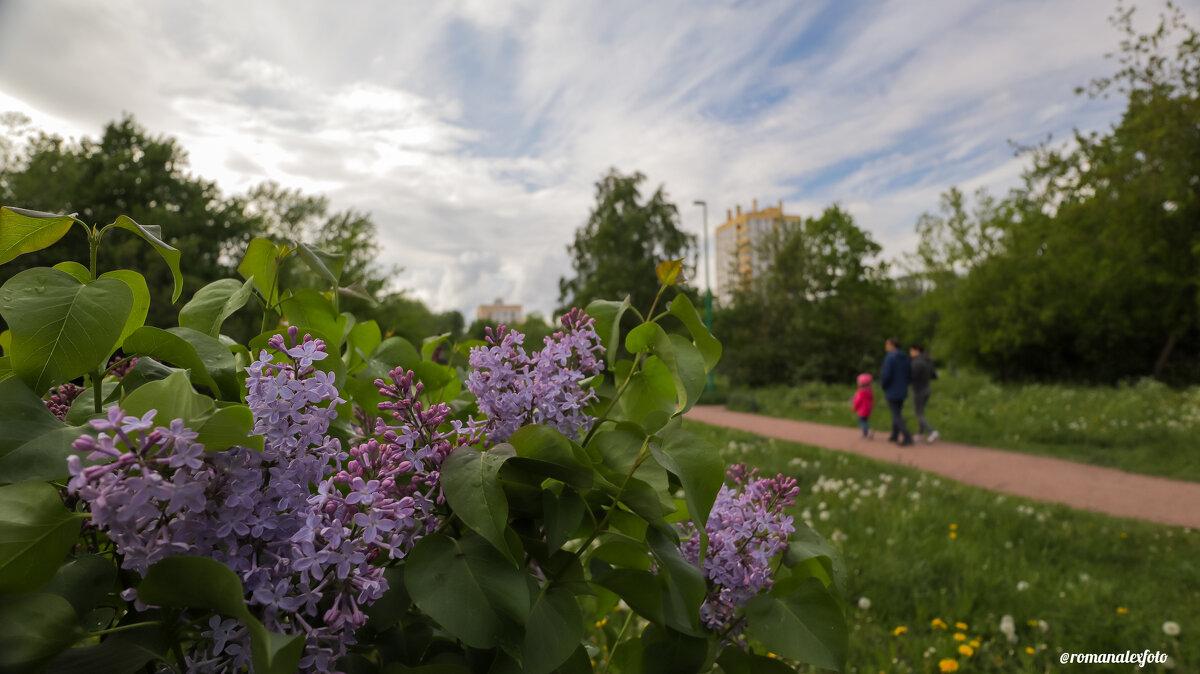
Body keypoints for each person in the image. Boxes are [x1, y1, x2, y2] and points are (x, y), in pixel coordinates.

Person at [880, 337, 914, 446]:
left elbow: (886, 375)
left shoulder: (890, 358)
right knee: (897, 412)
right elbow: (910, 373)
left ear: (893, 346)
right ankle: (895, 435)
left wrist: (883, 385)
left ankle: (907, 437)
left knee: (896, 415)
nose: (886, 347)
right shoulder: (906, 357)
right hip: (902, 389)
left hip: (892, 389)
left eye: (887, 344)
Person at [909, 343, 939, 443]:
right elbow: (934, 376)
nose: (910, 353)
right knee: (921, 412)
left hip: (919, 390)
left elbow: (912, 376)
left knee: (918, 414)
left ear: (916, 351)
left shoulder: (917, 362)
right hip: (927, 389)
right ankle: (920, 434)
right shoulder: (928, 361)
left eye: (911, 351)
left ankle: (933, 432)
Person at [852, 373, 875, 439]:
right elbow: (871, 400)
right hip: (868, 409)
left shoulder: (860, 392)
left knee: (862, 422)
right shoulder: (869, 391)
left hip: (862, 410)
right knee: (865, 421)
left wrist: (854, 408)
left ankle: (868, 431)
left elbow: (857, 401)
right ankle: (865, 434)